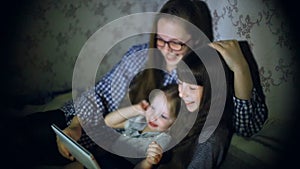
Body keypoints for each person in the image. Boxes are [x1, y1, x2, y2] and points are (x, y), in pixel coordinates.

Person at [10, 0, 268, 168]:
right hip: (88, 124)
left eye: (176, 42)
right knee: (24, 132)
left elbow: (245, 126)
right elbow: (98, 93)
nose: (166, 50)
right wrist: (75, 126)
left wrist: (241, 68)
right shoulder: (140, 57)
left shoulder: (200, 80)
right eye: (160, 40)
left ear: (197, 40)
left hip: (116, 145)